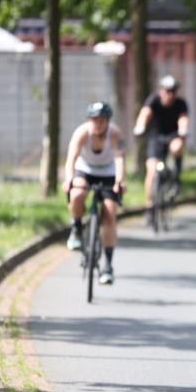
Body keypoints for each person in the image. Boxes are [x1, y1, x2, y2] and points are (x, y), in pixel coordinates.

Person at [63, 101, 126, 285]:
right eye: (94, 120)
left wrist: (119, 182)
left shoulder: (114, 134)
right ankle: (76, 228)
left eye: (101, 120)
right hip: (86, 170)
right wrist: (69, 180)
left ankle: (107, 265)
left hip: (108, 173)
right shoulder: (82, 133)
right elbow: (71, 159)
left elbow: (120, 160)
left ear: (107, 121)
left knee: (110, 213)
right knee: (77, 194)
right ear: (89, 120)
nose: (97, 124)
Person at [133, 75, 190, 213]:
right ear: (161, 91)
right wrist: (140, 127)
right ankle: (150, 205)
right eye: (167, 91)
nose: (170, 94)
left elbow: (183, 119)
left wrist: (183, 130)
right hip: (155, 137)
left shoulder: (181, 103)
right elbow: (145, 113)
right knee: (151, 171)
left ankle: (176, 178)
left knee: (177, 147)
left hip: (173, 135)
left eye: (173, 91)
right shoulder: (154, 100)